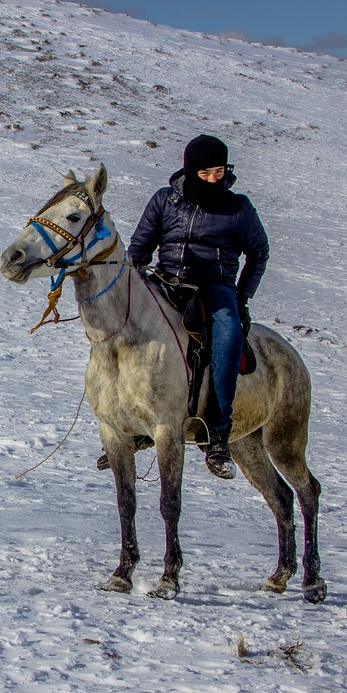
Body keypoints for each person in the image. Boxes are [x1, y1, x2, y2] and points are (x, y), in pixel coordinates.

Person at [127, 134, 269, 480]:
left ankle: (218, 433)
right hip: (166, 279)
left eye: (219, 172)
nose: (213, 179)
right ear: (190, 171)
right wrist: (133, 275)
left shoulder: (238, 208)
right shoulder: (165, 200)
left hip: (214, 285)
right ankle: (136, 421)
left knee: (226, 335)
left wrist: (241, 297)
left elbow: (259, 253)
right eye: (205, 173)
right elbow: (141, 244)